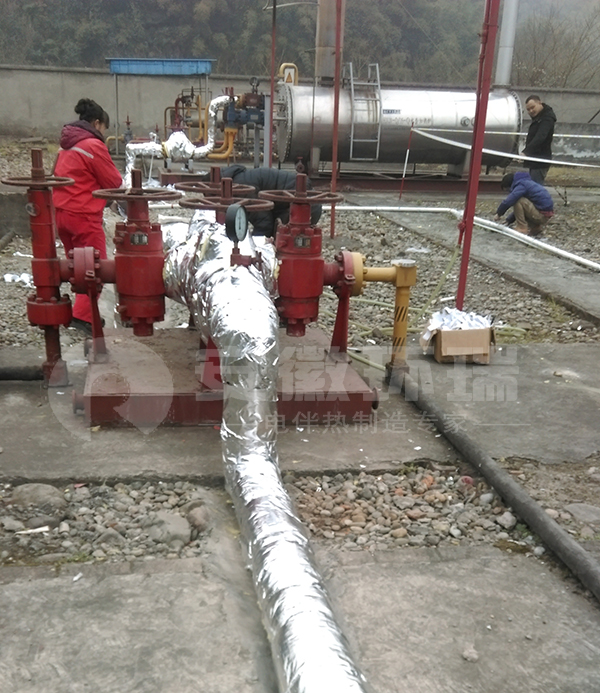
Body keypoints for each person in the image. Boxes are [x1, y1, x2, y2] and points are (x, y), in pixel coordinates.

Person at [53, 98, 123, 335]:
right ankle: (82, 317)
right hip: (83, 215)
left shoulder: (66, 144)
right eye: (104, 128)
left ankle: (84, 312)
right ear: (97, 123)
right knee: (94, 267)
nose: (104, 134)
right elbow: (113, 181)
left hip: (61, 214)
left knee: (76, 266)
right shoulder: (93, 145)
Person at [219, 164, 322, 237]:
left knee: (283, 240)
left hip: (305, 207)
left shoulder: (240, 190)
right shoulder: (239, 180)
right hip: (304, 203)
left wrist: (256, 245)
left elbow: (264, 223)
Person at [494, 171, 554, 237]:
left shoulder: (521, 185)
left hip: (541, 215)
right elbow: (522, 210)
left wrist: (499, 214)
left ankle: (522, 227)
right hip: (544, 214)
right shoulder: (526, 183)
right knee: (521, 201)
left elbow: (508, 201)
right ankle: (535, 227)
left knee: (518, 200)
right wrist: (509, 220)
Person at [522, 95, 556, 185]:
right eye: (528, 109)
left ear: (539, 103)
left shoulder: (547, 118)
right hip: (534, 159)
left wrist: (526, 152)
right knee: (532, 187)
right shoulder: (539, 117)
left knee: (535, 188)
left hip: (540, 160)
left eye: (532, 107)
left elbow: (541, 137)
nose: (531, 111)